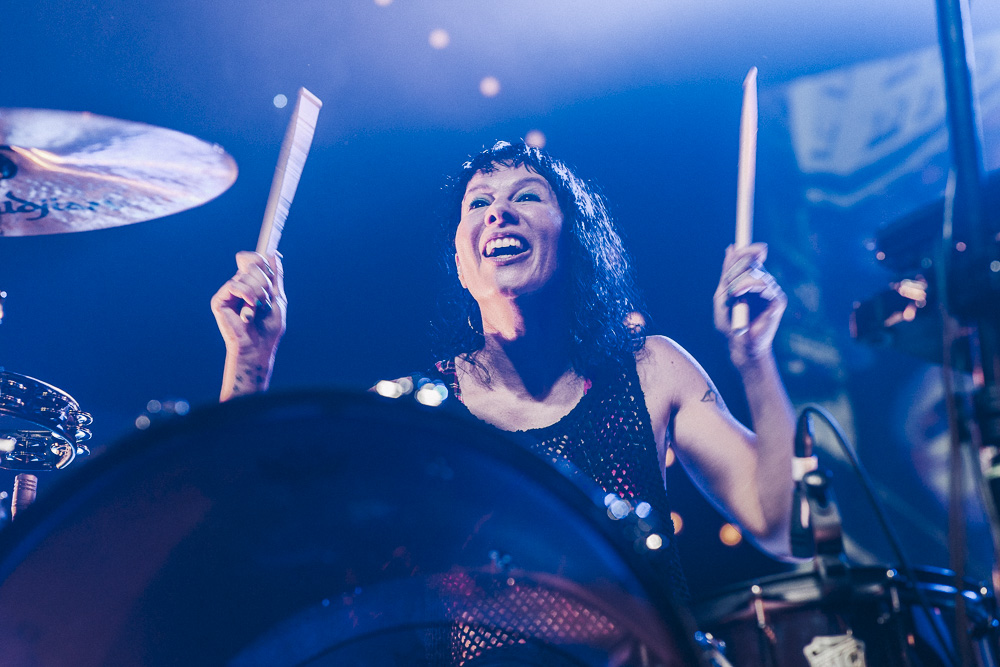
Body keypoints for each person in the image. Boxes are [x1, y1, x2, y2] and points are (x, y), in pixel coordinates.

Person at [211, 141, 796, 598]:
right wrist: (249, 363)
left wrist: (754, 359)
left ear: (572, 236)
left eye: (527, 196)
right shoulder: (413, 414)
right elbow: (256, 544)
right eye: (479, 203)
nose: (499, 213)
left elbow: (782, 527)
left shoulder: (650, 370)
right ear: (461, 262)